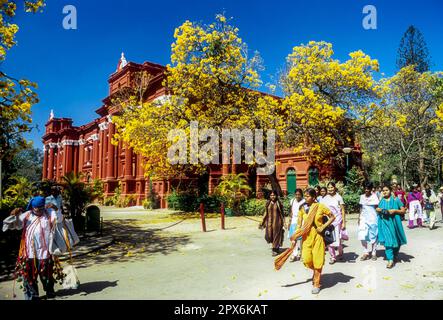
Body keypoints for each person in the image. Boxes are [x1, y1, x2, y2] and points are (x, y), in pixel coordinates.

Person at [2, 196, 64, 300]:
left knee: (46, 276)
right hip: (28, 252)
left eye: (41, 208)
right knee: (29, 276)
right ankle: (32, 296)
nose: (39, 210)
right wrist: (16, 216)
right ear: (32, 207)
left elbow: (60, 219)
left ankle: (49, 291)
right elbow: (17, 226)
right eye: (36, 208)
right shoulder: (27, 215)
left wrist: (56, 209)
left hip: (45, 253)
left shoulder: (49, 213)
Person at [290, 188, 335, 294]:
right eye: (304, 196)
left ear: (314, 197)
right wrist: (295, 237)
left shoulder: (320, 206)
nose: (305, 198)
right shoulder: (302, 208)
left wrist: (323, 227)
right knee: (306, 259)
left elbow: (332, 217)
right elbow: (299, 224)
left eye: (307, 196)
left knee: (318, 260)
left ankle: (316, 283)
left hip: (318, 237)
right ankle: (315, 272)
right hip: (306, 238)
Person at [376, 185, 407, 268]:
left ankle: (395, 254)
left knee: (397, 239)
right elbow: (378, 210)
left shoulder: (396, 200)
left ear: (390, 190)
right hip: (384, 223)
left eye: (386, 190)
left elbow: (403, 211)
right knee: (388, 241)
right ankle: (390, 260)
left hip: (395, 223)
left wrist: (395, 210)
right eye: (383, 190)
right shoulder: (382, 200)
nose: (384, 192)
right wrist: (378, 210)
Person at [320, 182, 346, 264]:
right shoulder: (324, 199)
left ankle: (340, 253)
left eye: (332, 187)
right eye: (329, 188)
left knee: (338, 239)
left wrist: (344, 223)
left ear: (335, 188)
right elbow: (321, 209)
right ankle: (333, 257)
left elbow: (343, 210)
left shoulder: (339, 197)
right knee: (329, 239)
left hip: (338, 221)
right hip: (328, 222)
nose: (330, 189)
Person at [260, 191, 285, 256]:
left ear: (276, 196)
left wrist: (284, 222)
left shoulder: (278, 203)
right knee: (269, 235)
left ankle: (275, 249)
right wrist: (262, 221)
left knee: (276, 235)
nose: (272, 197)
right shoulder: (268, 203)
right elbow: (266, 212)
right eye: (271, 195)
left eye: (274, 195)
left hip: (277, 222)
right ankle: (276, 247)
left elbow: (282, 213)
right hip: (269, 222)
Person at [358, 182, 379, 261]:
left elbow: (377, 208)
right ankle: (366, 252)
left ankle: (374, 253)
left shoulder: (374, 197)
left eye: (368, 189)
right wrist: (359, 218)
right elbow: (361, 208)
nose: (366, 190)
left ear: (371, 189)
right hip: (363, 218)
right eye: (365, 188)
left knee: (373, 235)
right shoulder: (362, 197)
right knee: (362, 235)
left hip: (373, 218)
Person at [287, 189, 305, 262]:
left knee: (301, 239)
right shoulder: (292, 200)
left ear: (301, 195)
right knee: (293, 239)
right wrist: (289, 221)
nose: (297, 196)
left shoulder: (304, 201)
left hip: (302, 221)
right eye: (296, 194)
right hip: (294, 221)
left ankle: (301, 254)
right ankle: (294, 254)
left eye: (299, 194)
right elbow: (291, 211)